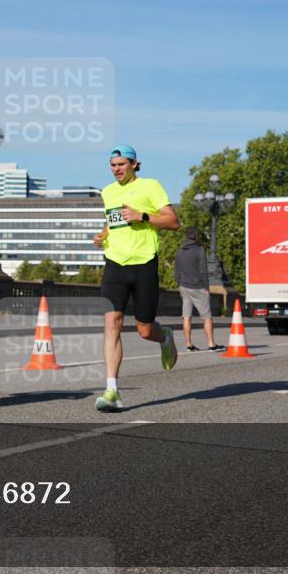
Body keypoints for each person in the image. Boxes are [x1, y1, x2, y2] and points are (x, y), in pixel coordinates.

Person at [91, 145, 180, 412]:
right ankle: (112, 391)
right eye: (112, 165)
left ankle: (163, 337)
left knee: (144, 330)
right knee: (111, 322)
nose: (116, 169)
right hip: (115, 264)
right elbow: (113, 220)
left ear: (134, 164)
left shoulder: (150, 186)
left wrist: (142, 216)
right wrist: (104, 235)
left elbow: (173, 221)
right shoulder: (107, 192)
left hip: (143, 264)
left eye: (121, 164)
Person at [174, 225, 222, 352]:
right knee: (207, 317)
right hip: (198, 287)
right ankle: (211, 344)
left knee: (186, 316)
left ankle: (188, 344)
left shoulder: (180, 250)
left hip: (184, 287)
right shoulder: (199, 249)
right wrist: (206, 287)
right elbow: (203, 271)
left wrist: (180, 283)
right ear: (196, 236)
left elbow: (176, 270)